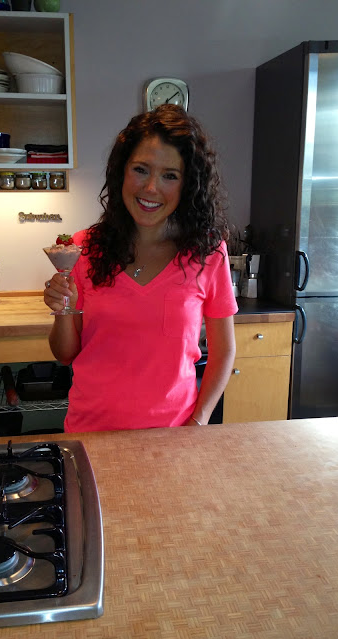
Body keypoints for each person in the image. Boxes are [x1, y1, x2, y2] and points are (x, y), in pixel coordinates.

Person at [44, 104, 238, 432]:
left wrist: (198, 422)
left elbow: (224, 352)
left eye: (170, 175)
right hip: (92, 434)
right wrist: (62, 309)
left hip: (172, 437)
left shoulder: (208, 253)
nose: (151, 188)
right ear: (121, 171)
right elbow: (65, 354)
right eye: (141, 170)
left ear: (188, 185)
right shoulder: (83, 248)